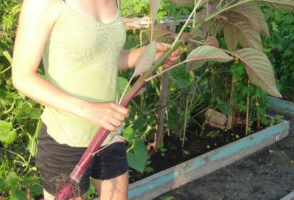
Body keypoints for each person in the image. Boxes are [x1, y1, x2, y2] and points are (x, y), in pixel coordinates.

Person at [11, 0, 180, 199]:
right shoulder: (44, 3)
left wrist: (141, 55)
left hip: (108, 134)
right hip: (66, 137)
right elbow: (22, 77)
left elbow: (102, 59)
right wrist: (90, 110)